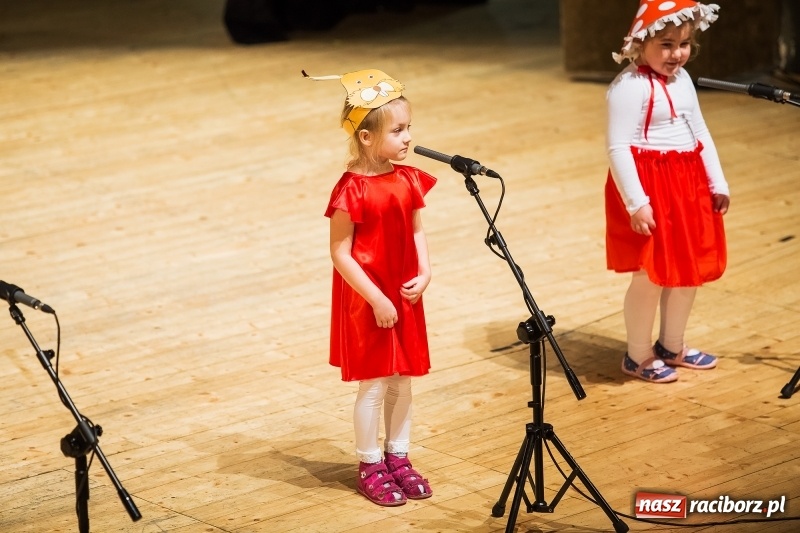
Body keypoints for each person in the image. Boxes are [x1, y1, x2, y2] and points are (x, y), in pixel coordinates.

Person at [306, 69, 435, 505]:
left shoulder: (408, 178)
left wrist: (426, 270)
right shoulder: (351, 189)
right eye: (397, 130)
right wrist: (377, 298)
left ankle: (398, 456)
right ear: (365, 137)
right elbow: (340, 253)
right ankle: (369, 463)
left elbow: (417, 230)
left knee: (403, 379)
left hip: (404, 292)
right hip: (370, 299)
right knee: (376, 382)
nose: (407, 138)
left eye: (408, 128)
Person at [605, 1, 730, 383]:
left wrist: (716, 181)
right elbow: (618, 147)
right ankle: (637, 354)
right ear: (641, 43)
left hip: (687, 183)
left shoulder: (683, 80)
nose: (677, 54)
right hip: (651, 187)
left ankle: (671, 345)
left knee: (687, 271)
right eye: (666, 44)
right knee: (651, 274)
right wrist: (637, 201)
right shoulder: (628, 87)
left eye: (685, 43)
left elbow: (701, 132)